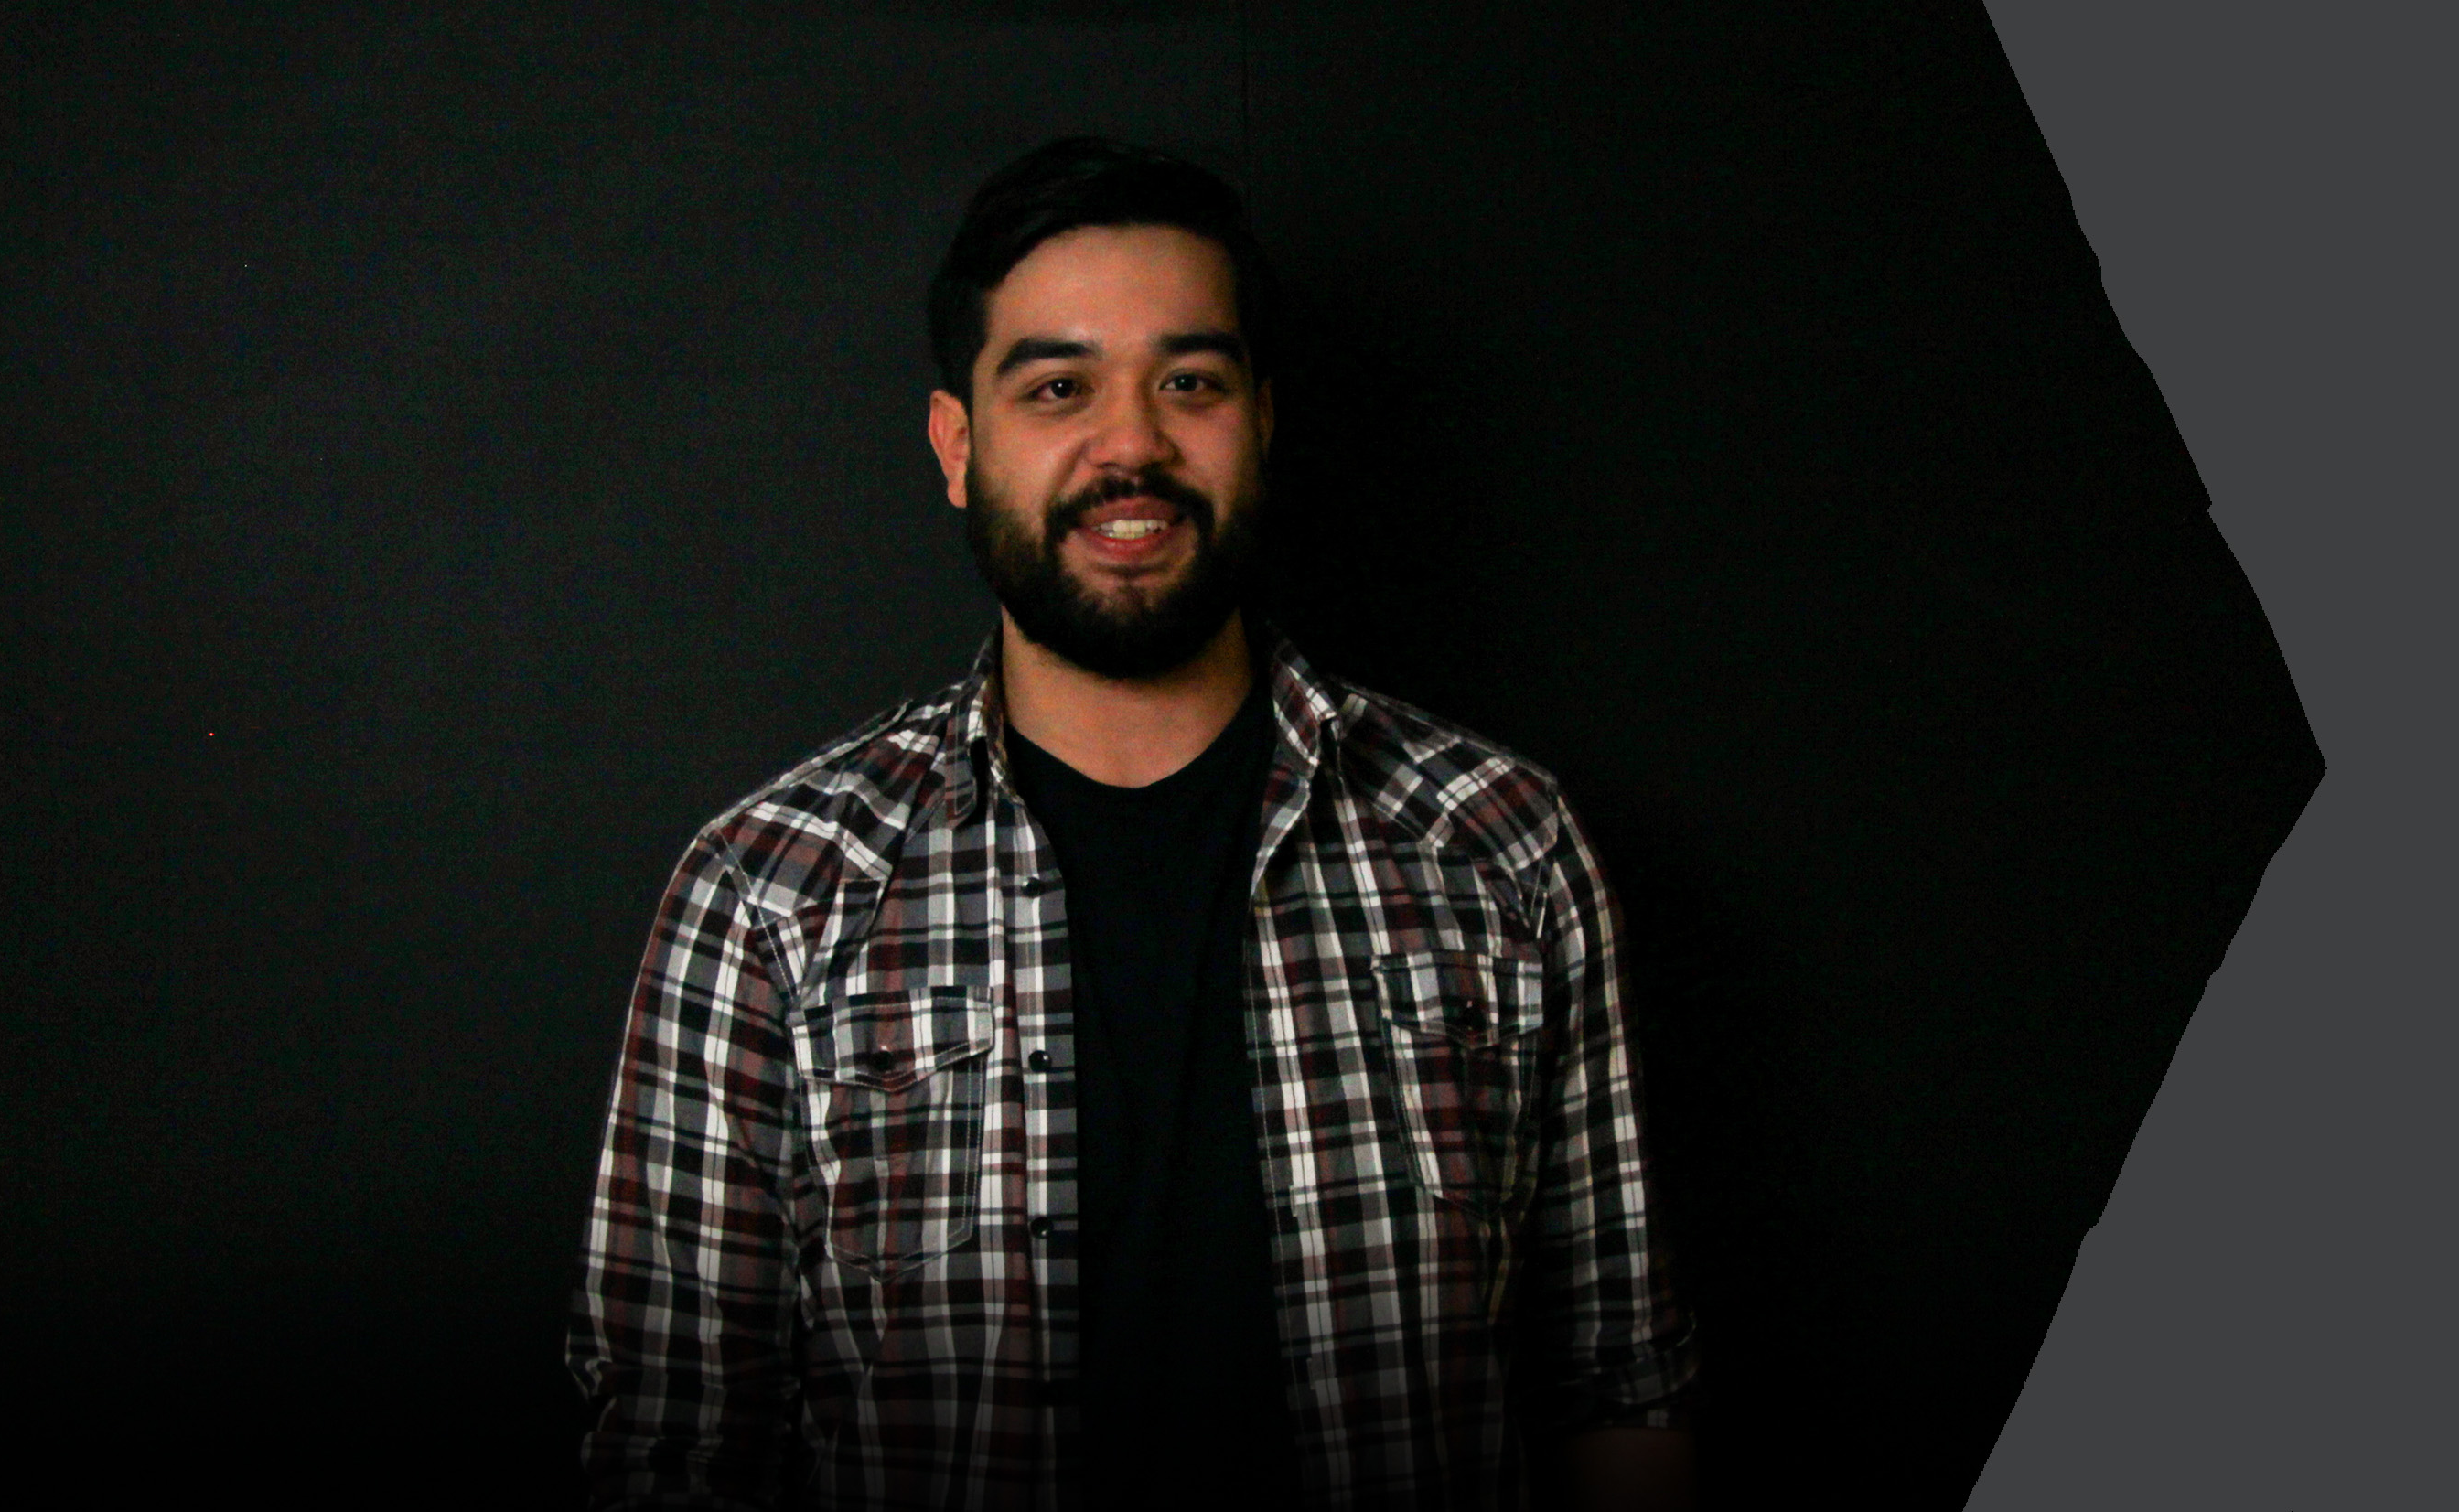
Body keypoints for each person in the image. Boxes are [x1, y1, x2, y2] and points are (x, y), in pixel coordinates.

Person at [568, 136, 1700, 1511]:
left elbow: (1615, 1389)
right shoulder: (768, 893)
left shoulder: (1501, 845)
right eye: (1059, 387)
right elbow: (676, 1443)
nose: (1132, 446)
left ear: (1260, 420)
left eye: (1189, 382)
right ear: (958, 446)